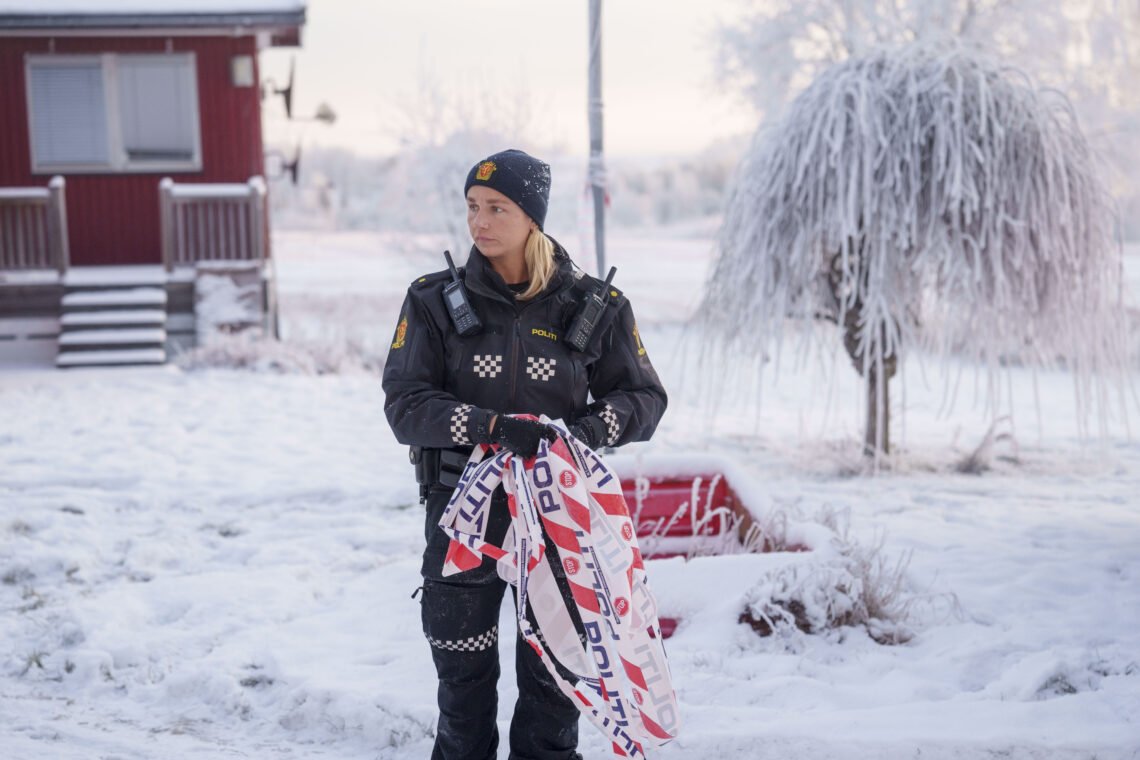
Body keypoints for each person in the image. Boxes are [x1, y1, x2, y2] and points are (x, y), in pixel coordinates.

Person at [382, 148, 667, 760]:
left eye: (496, 208)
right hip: (463, 517)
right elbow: (405, 404)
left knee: (553, 695)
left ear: (532, 217)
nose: (478, 222)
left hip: (559, 520)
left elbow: (644, 399)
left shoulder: (595, 306)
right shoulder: (432, 301)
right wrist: (491, 427)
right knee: (462, 698)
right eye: (472, 207)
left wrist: (583, 434)